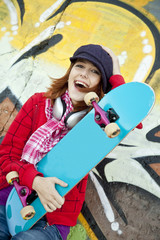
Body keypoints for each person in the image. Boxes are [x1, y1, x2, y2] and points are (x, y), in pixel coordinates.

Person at [0, 44, 131, 240]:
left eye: (94, 71)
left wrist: (116, 75)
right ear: (70, 72)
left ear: (100, 84)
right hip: (8, 203)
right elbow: (6, 156)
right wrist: (34, 180)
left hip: (50, 221)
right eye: (79, 66)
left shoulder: (99, 127)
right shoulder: (37, 104)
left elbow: (132, 116)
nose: (84, 74)